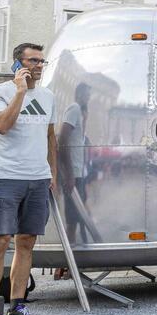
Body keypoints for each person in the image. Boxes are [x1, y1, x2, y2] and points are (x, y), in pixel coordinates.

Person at [0, 43, 57, 315]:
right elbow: (1, 126)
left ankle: (17, 307)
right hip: (6, 178)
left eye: (41, 61)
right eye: (33, 61)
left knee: (26, 243)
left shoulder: (48, 96)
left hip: (37, 179)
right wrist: (20, 92)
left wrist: (52, 171)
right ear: (18, 64)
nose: (39, 65)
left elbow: (51, 136)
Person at [58, 83, 91, 241]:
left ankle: (74, 254)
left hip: (79, 173)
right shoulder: (74, 108)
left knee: (78, 216)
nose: (88, 99)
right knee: (72, 218)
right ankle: (66, 260)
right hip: (73, 174)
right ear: (79, 94)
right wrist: (69, 174)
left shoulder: (80, 113)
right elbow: (62, 139)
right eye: (86, 95)